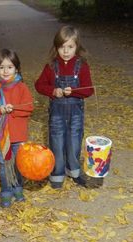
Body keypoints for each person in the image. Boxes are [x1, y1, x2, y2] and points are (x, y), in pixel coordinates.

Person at [35, 25, 94, 188]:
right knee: (57, 141)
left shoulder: (82, 65)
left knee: (74, 141)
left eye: (70, 47)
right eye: (62, 47)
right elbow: (39, 85)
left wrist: (74, 91)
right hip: (57, 113)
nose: (66, 51)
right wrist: (53, 90)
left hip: (76, 112)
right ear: (56, 47)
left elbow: (89, 90)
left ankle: (74, 171)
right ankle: (57, 174)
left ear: (77, 47)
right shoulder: (51, 65)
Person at [0, 48, 34, 207]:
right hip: (1, 136)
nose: (5, 71)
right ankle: (6, 191)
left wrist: (14, 109)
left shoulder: (21, 87)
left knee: (18, 164)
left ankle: (18, 188)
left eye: (10, 67)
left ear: (16, 68)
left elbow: (29, 107)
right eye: (1, 67)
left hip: (18, 135)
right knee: (4, 166)